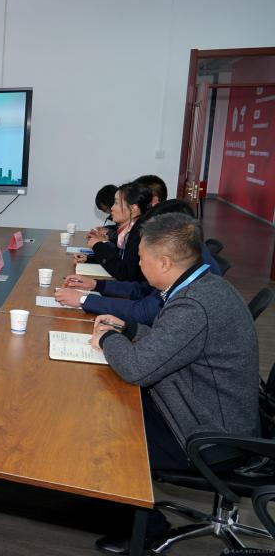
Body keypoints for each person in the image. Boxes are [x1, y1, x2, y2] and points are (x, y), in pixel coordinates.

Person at [90, 212, 258, 553]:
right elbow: (176, 343)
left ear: (164, 262)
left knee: (106, 437)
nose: (138, 265)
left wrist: (107, 339)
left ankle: (146, 530)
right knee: (113, 408)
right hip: (209, 409)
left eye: (142, 258)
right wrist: (129, 328)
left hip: (208, 435)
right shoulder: (204, 285)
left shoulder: (193, 304)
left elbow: (136, 368)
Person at [55, 200, 222, 325]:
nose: (140, 263)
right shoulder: (187, 256)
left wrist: (84, 300)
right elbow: (143, 290)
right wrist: (96, 285)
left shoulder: (191, 282)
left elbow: (144, 312)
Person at [84, 182, 153, 281]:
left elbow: (126, 275)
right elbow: (119, 258)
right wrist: (89, 259)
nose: (112, 208)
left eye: (116, 203)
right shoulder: (129, 229)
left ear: (133, 208)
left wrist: (98, 245)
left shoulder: (139, 234)